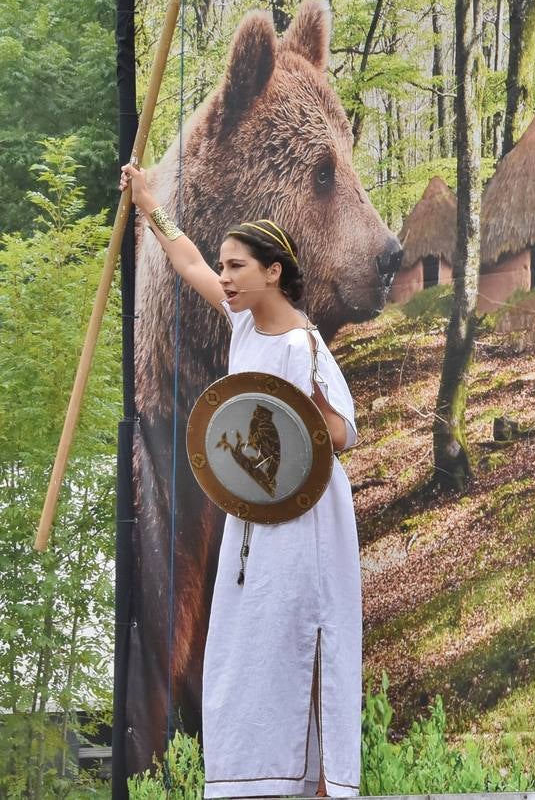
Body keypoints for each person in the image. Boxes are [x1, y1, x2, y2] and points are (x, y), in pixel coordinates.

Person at [122, 162, 363, 796]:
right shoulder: (246, 325)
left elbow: (341, 433)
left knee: (299, 643)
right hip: (256, 514)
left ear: (273, 272)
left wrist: (299, 413)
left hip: (305, 519)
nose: (224, 277)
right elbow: (188, 263)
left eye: (237, 267)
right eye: (225, 267)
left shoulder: (303, 346)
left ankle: (311, 783)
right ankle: (252, 781)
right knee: (240, 652)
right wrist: (149, 204)